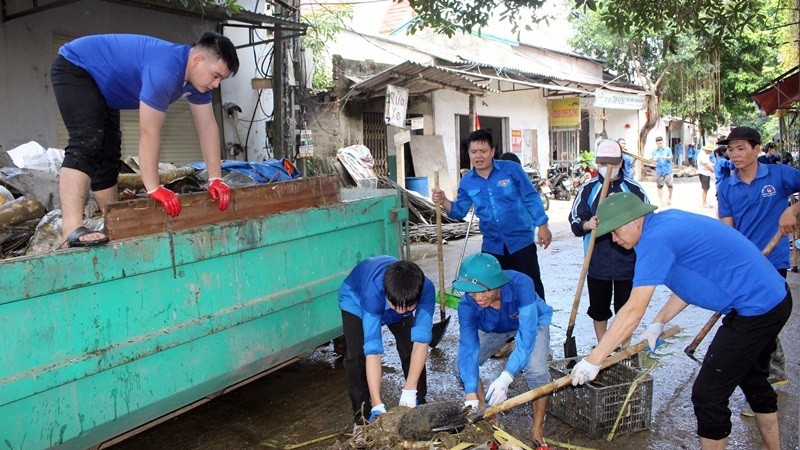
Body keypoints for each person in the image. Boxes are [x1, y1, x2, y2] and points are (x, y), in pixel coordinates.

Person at [570, 192, 791, 450]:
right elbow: (687, 280)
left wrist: (594, 359)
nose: (614, 239)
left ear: (636, 221)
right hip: (773, 298)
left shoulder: (654, 240)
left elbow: (632, 310)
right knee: (752, 379)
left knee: (708, 396)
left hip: (757, 310)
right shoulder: (665, 223)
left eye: (616, 231)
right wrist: (659, 322)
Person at [51, 32, 239, 247]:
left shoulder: (196, 82)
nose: (216, 84)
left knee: (109, 151)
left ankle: (112, 220)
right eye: (215, 76)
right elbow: (149, 132)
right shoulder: (166, 70)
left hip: (104, 87)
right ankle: (72, 228)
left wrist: (216, 178)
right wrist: (153, 187)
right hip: (77, 66)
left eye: (220, 80)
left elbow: (207, 127)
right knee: (87, 141)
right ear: (198, 60)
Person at [716, 126, 800, 395]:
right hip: (745, 261)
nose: (735, 155)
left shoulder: (779, 175)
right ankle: (772, 371)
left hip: (773, 260)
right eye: (731, 149)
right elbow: (727, 229)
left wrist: (793, 209)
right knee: (753, 316)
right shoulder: (726, 186)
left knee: (760, 315)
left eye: (741, 148)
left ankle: (762, 385)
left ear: (757, 149)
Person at [432, 129, 552, 300]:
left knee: (530, 287)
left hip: (521, 242)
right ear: (469, 153)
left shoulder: (511, 169)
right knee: (495, 292)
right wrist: (444, 200)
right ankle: (505, 325)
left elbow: (531, 197)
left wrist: (543, 226)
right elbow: (459, 211)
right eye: (474, 152)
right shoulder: (467, 181)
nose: (478, 156)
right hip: (492, 246)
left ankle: (539, 324)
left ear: (492, 151)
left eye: (483, 151)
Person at [453, 253, 552, 449]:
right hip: (495, 328)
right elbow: (468, 349)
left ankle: (537, 428)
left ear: (496, 284)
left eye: (482, 292)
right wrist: (470, 393)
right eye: (471, 293)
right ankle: (486, 414)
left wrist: (506, 376)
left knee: (537, 370)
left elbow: (527, 334)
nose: (477, 298)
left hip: (531, 322)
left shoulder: (522, 284)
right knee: (459, 367)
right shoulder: (467, 305)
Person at [569, 144, 650, 345]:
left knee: (626, 308)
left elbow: (647, 220)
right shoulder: (588, 189)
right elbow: (575, 220)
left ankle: (623, 347)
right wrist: (588, 224)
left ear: (620, 163)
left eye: (611, 163)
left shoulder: (633, 189)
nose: (607, 167)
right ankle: (602, 344)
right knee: (599, 309)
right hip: (597, 262)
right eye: (602, 163)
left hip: (628, 263)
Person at [338, 256, 434, 424]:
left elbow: (421, 342)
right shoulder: (372, 293)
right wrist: (377, 402)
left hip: (397, 297)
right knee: (357, 356)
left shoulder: (426, 289)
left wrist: (409, 390)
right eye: (396, 306)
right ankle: (362, 419)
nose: (400, 311)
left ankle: (417, 402)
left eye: (408, 307)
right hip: (356, 299)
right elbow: (373, 350)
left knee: (410, 347)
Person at [650, 136, 673, 206]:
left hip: (667, 170)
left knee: (670, 185)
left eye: (660, 143)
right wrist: (654, 159)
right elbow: (652, 160)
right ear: (656, 143)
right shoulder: (654, 151)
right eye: (658, 143)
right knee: (659, 186)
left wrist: (666, 157)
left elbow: (671, 158)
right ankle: (661, 201)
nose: (659, 144)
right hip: (659, 170)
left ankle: (670, 198)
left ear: (663, 142)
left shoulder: (668, 149)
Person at [697, 143, 715, 208]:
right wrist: (714, 171)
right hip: (704, 172)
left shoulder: (705, 154)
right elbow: (707, 165)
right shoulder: (703, 155)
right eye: (710, 151)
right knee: (705, 188)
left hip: (704, 172)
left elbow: (709, 163)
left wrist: (713, 164)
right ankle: (704, 203)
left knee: (705, 188)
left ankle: (704, 202)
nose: (710, 152)